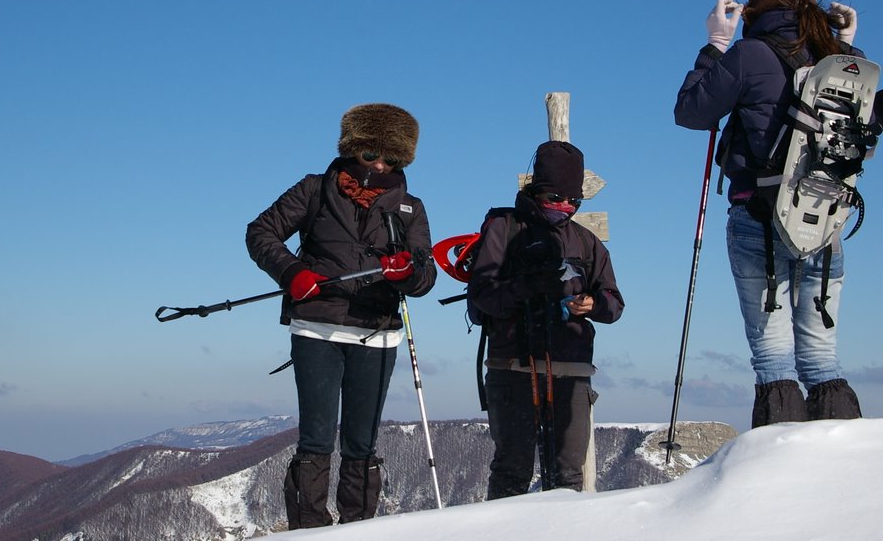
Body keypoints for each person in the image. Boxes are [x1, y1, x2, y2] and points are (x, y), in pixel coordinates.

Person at [674, 0, 866, 427]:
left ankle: (778, 482)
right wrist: (845, 45)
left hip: (757, 218)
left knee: (773, 359)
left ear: (755, 8)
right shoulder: (839, 63)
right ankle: (842, 473)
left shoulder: (749, 54)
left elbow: (692, 112)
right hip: (826, 220)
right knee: (823, 359)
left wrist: (716, 43)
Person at [245, 103, 436, 528]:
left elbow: (426, 276)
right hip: (316, 330)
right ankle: (309, 530)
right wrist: (292, 272)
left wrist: (407, 272)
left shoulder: (410, 209)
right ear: (354, 149)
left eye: (392, 159)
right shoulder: (315, 190)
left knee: (361, 443)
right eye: (371, 155)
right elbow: (260, 231)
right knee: (315, 439)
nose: (380, 166)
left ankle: (359, 529)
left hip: (379, 333)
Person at [467, 140, 624, 496]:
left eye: (573, 201)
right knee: (511, 472)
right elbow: (482, 297)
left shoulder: (587, 241)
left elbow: (614, 304)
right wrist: (528, 286)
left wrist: (592, 304)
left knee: (568, 478)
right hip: (514, 369)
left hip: (571, 371)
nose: (564, 207)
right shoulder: (504, 229)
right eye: (555, 197)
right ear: (536, 190)